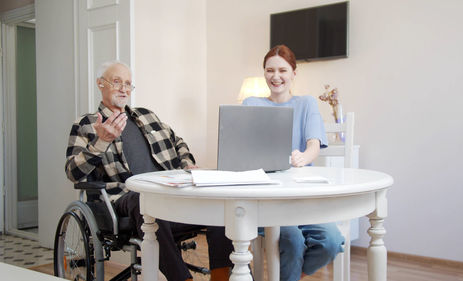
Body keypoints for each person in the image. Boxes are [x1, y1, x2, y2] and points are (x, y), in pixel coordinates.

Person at [65, 61, 233, 281]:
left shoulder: (146, 116)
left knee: (218, 205)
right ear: (100, 84)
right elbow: (72, 172)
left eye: (128, 84)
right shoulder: (86, 124)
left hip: (170, 194)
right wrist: (100, 142)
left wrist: (187, 164)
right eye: (117, 82)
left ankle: (221, 277)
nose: (124, 89)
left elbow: (178, 142)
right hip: (124, 199)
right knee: (143, 200)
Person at [242, 45, 345, 281]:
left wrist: (304, 157)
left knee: (331, 241)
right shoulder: (251, 104)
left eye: (282, 70)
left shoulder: (306, 103)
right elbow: (244, 149)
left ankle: (291, 275)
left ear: (294, 73)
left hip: (301, 199)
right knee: (293, 240)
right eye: (270, 70)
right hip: (264, 200)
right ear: (264, 73)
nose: (276, 77)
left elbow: (314, 146)